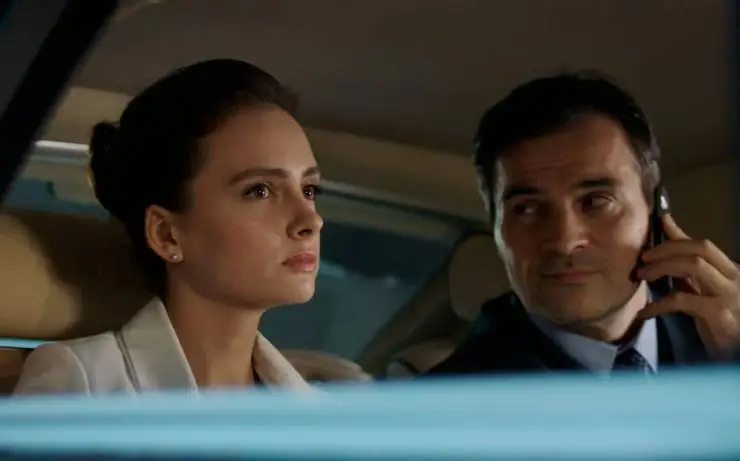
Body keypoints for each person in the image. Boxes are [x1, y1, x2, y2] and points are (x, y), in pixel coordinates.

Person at [14, 59, 324, 394]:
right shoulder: (86, 382)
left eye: (309, 190)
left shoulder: (323, 408)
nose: (311, 220)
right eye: (259, 191)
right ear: (166, 234)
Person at [428, 72, 740, 376]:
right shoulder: (447, 401)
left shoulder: (721, 335)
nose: (565, 241)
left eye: (596, 202)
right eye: (526, 209)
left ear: (657, 209)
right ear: (497, 228)